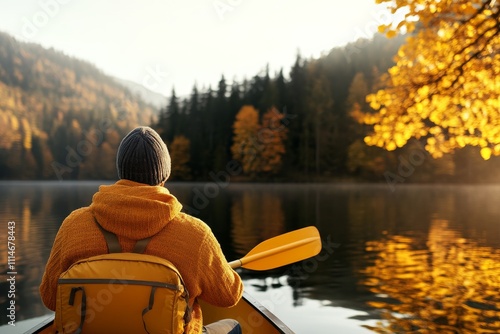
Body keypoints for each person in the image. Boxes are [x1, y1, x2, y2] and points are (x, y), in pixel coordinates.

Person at [40, 126, 243, 334]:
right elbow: (229, 296)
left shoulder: (73, 225)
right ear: (164, 175)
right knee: (233, 327)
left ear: (121, 172)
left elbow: (50, 298)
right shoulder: (196, 235)